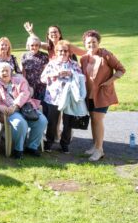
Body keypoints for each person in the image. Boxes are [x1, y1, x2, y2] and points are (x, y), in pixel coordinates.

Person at [80, 30, 125, 161]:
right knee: (93, 119)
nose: (91, 44)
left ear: (98, 42)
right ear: (84, 44)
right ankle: (95, 146)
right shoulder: (83, 58)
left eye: (94, 42)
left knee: (98, 120)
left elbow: (121, 69)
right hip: (89, 95)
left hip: (102, 94)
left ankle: (99, 150)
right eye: (88, 42)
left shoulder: (106, 54)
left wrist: (108, 82)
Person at [0, 62, 48, 159]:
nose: (4, 72)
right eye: (2, 71)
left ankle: (32, 146)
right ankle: (18, 149)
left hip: (26, 108)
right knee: (20, 123)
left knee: (42, 121)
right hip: (10, 112)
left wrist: (15, 105)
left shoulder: (20, 81)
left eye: (6, 70)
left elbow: (25, 93)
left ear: (11, 71)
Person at [40, 40, 83, 153]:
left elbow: (83, 78)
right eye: (60, 51)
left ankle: (65, 143)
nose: (62, 53)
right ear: (56, 51)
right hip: (53, 97)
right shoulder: (51, 64)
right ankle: (49, 143)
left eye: (65, 51)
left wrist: (72, 74)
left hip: (69, 98)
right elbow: (42, 78)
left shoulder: (74, 64)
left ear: (69, 52)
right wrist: (55, 74)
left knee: (68, 122)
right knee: (52, 122)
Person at [21, 36, 49, 111]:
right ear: (28, 46)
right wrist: (24, 85)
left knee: (43, 107)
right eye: (32, 45)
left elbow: (47, 72)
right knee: (31, 108)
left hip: (42, 86)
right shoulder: (24, 56)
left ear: (39, 46)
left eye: (36, 45)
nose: (34, 47)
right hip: (29, 86)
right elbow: (23, 72)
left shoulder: (44, 56)